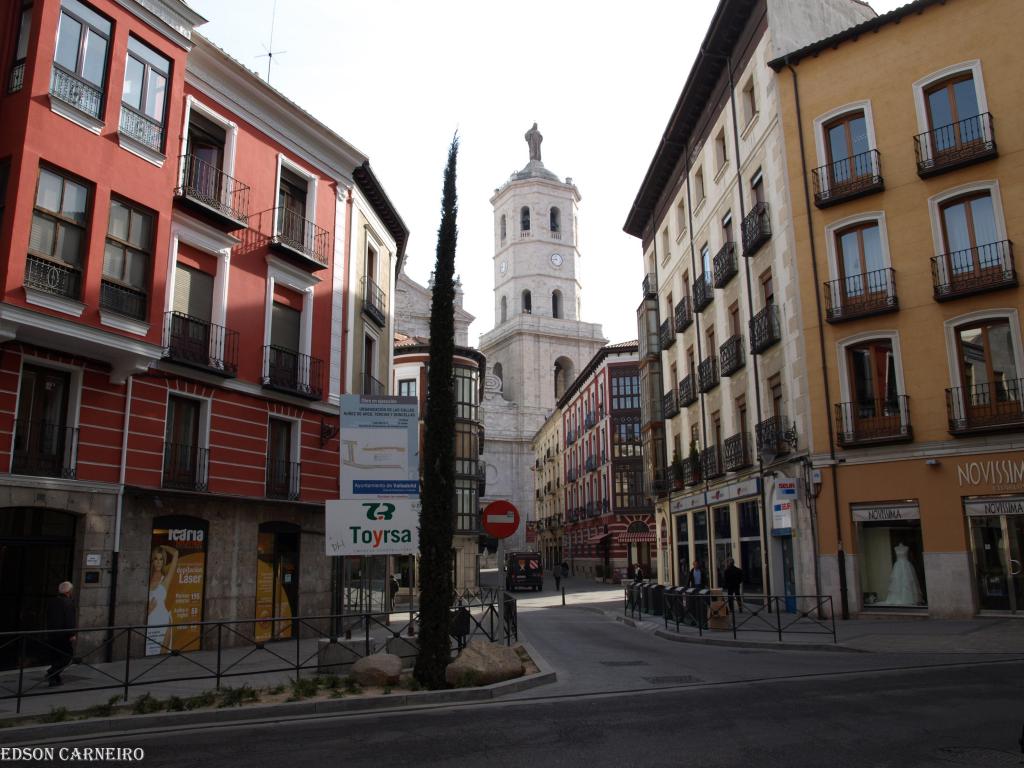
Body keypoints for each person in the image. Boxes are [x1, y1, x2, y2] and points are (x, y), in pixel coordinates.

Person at [146, 544, 178, 656]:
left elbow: (175, 554)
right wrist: (148, 610)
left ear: (164, 561)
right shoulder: (146, 579)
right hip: (149, 622)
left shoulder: (165, 580)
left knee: (161, 655)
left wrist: (161, 546)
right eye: (156, 559)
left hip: (163, 621)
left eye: (161, 559)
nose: (158, 562)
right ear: (152, 561)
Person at [45, 582, 76, 686]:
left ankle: (55, 679)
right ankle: (52, 672)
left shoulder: (52, 601)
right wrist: (72, 634)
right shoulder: (68, 603)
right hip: (63, 635)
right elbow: (69, 620)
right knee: (67, 656)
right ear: (69, 592)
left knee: (56, 656)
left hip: (52, 633)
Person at [686, 559, 709, 628]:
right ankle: (696, 613)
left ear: (698, 565)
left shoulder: (701, 571)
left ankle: (701, 612)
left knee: (701, 600)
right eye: (694, 564)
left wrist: (706, 585)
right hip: (694, 587)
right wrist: (687, 587)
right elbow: (689, 579)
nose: (695, 566)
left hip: (700, 586)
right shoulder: (692, 571)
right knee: (695, 600)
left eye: (696, 564)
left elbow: (705, 578)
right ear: (693, 565)